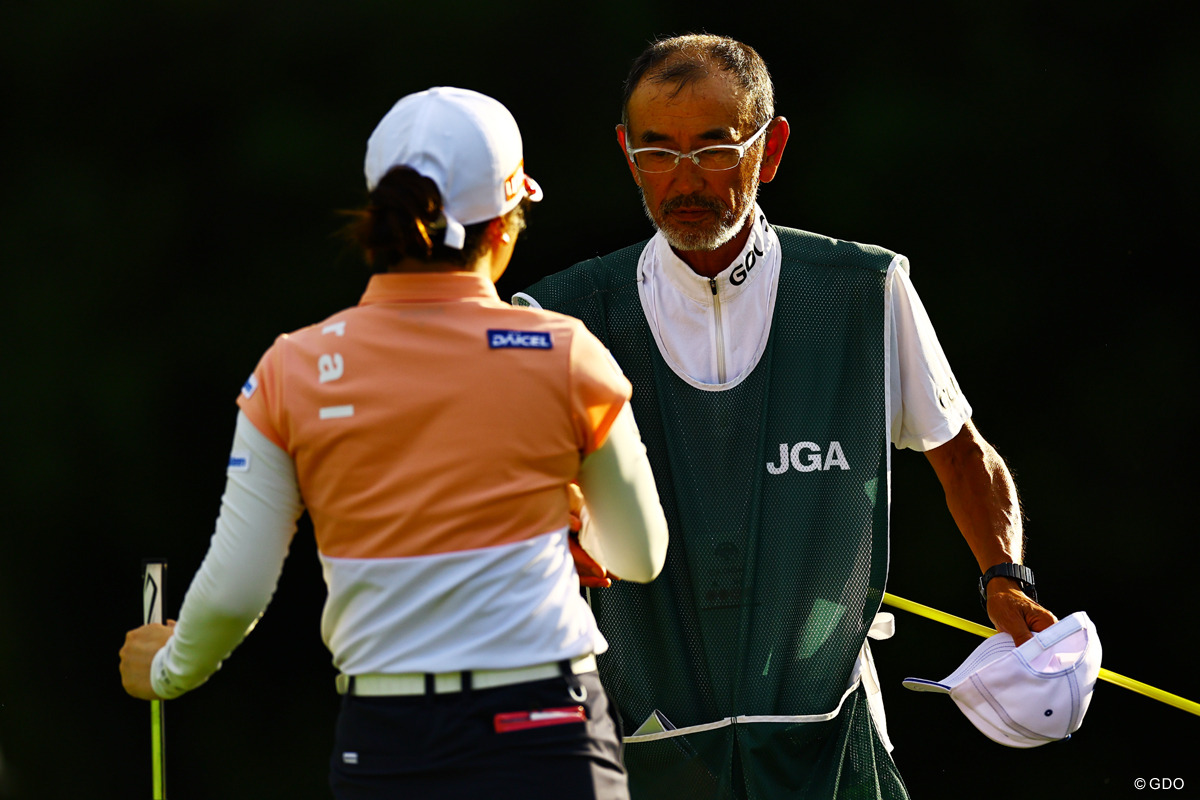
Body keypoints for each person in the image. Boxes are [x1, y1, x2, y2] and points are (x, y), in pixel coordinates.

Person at [512, 35, 1059, 800]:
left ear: (769, 151)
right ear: (626, 153)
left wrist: (1004, 577)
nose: (684, 179)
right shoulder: (556, 318)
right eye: (658, 152)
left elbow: (962, 455)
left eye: (715, 148)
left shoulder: (865, 290)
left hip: (829, 741)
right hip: (644, 747)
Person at [119, 86, 669, 800]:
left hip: (388, 742)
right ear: (505, 223)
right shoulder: (564, 354)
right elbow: (640, 556)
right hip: (546, 726)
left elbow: (235, 589)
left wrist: (169, 667)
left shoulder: (293, 368)